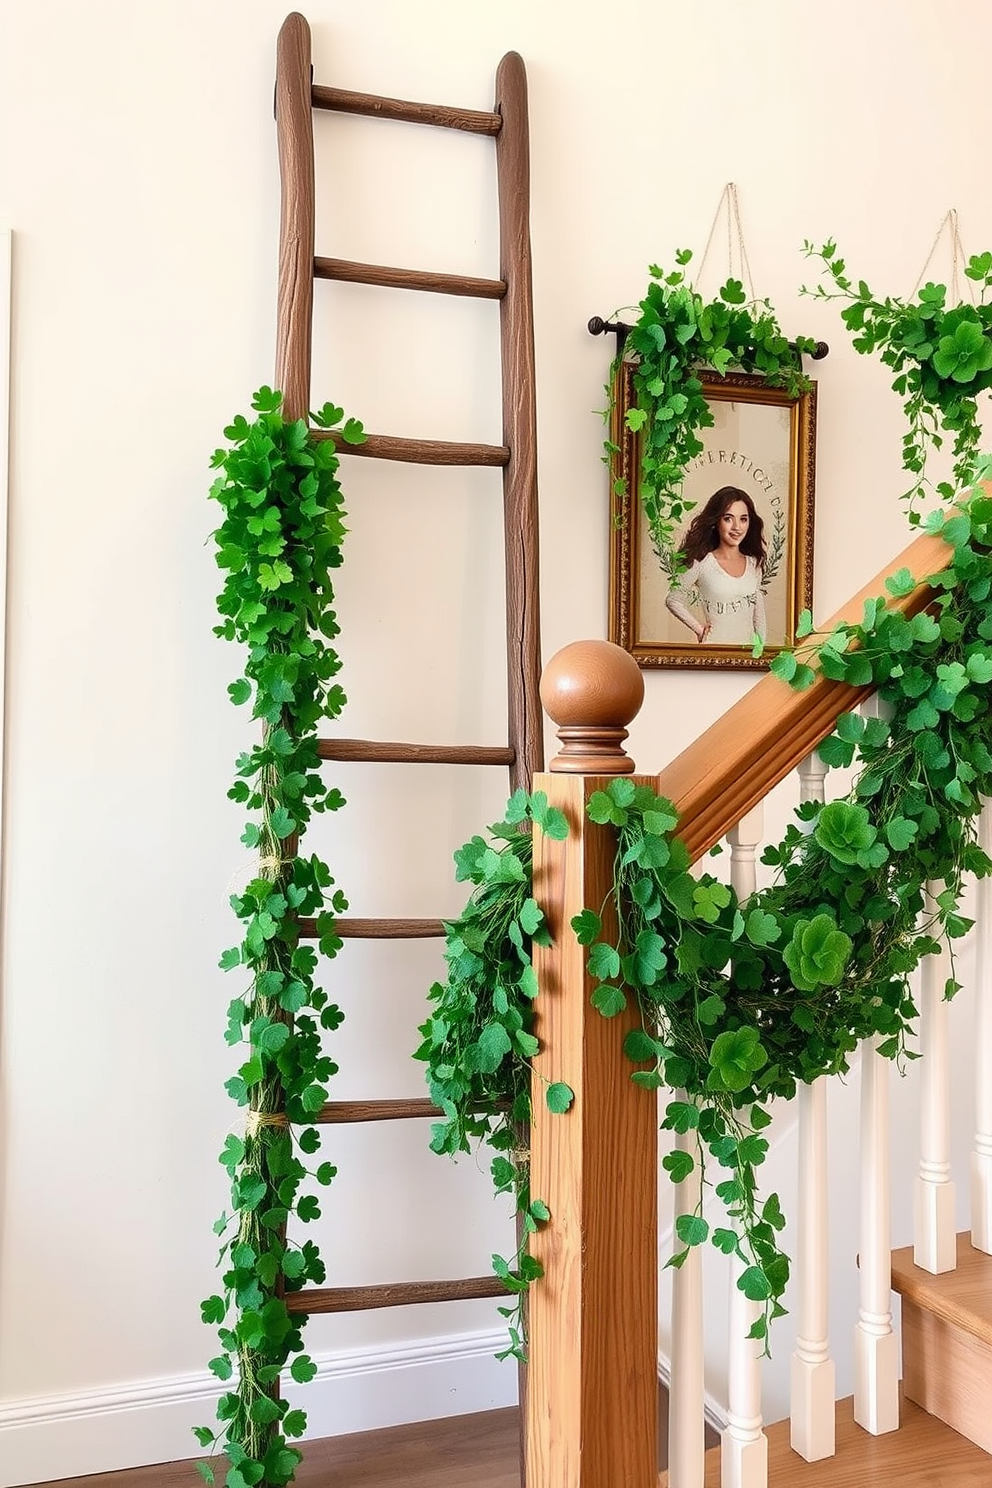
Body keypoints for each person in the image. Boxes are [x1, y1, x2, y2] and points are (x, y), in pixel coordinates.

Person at [665, 486, 767, 645]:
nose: (737, 527)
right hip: (713, 653)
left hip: (748, 659)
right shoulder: (701, 562)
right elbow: (673, 600)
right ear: (716, 522)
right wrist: (699, 629)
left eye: (743, 519)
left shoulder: (754, 564)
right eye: (728, 518)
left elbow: (758, 616)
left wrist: (761, 652)